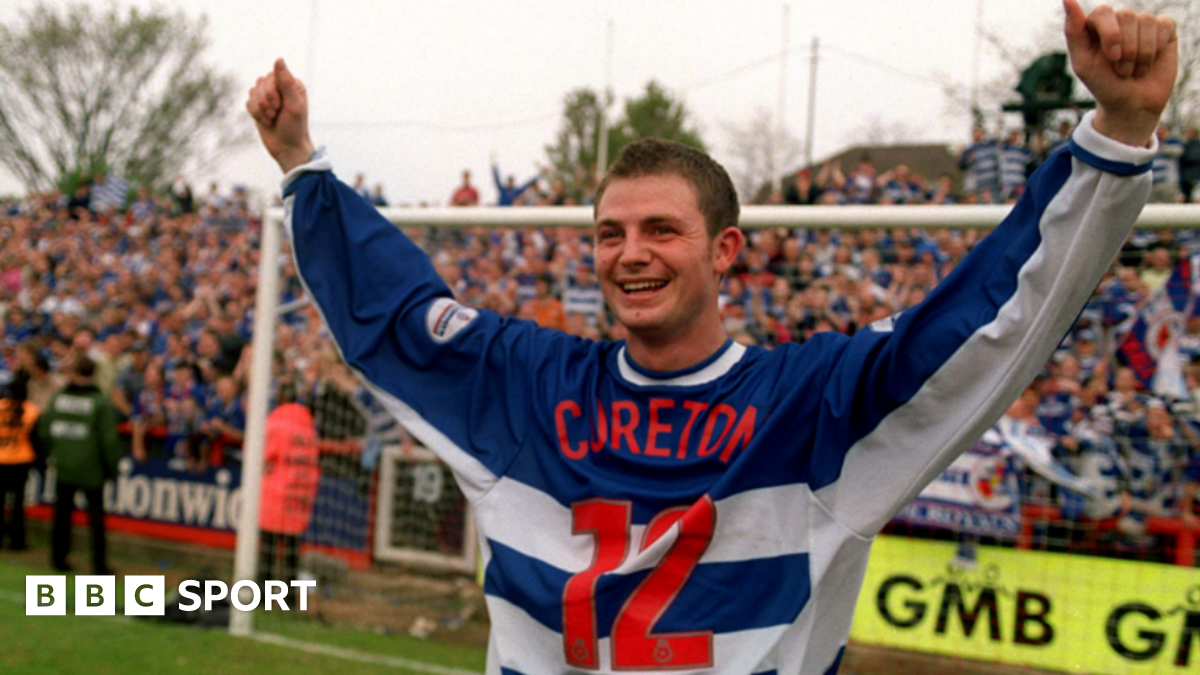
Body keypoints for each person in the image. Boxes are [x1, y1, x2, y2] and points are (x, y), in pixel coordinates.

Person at [247, 2, 1175, 671]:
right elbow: (394, 309)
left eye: (661, 230)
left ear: (725, 248)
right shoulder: (528, 385)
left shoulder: (812, 407)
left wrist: (1119, 133)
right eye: (610, 233)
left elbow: (988, 317)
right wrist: (301, 165)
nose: (630, 254)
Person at [39, 357, 121, 573]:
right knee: (96, 519)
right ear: (93, 374)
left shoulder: (59, 398)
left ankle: (58, 559)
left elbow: (45, 431)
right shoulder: (99, 402)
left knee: (61, 516)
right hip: (92, 469)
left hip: (63, 465)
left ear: (74, 373)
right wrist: (112, 468)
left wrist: (50, 455)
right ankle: (99, 565)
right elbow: (108, 440)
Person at [0, 371, 41, 551]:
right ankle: (17, 541)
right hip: (21, 461)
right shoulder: (32, 410)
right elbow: (36, 439)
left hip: (1, 460)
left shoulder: (0, 406)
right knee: (18, 504)